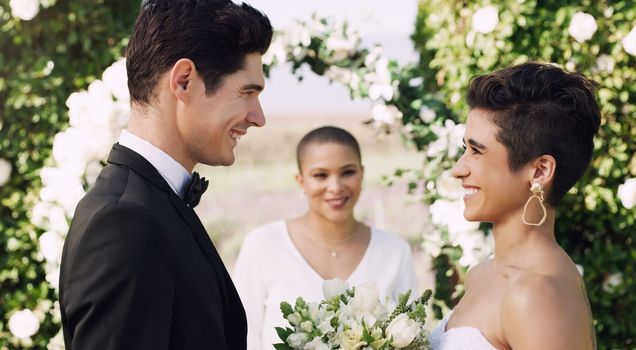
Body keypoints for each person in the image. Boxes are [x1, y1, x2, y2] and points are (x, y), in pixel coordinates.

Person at [58, 1, 272, 349]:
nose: (258, 117)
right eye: (247, 92)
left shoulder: (153, 203)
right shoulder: (124, 224)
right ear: (184, 81)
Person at [429, 62, 599, 349]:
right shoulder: (482, 273)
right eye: (464, 149)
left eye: (477, 151)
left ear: (540, 171)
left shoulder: (536, 294)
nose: (459, 169)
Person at [233, 126, 418, 349]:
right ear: (301, 181)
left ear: (362, 173)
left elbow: (411, 337)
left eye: (347, 172)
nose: (335, 187)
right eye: (320, 175)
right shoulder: (261, 246)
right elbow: (241, 339)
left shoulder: (395, 252)